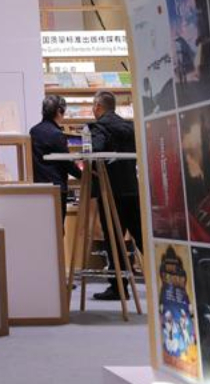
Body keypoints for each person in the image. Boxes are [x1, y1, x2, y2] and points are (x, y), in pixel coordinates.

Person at [89, 90, 143, 301]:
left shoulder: (99, 127)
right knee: (141, 237)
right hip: (132, 188)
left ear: (98, 107)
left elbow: (96, 152)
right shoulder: (129, 127)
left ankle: (119, 287)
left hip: (110, 192)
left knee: (113, 240)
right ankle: (161, 280)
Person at [30, 95, 76, 221]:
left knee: (42, 226)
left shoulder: (33, 131)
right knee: (57, 227)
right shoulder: (56, 134)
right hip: (56, 187)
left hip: (38, 186)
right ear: (58, 111)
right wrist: (84, 175)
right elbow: (66, 162)